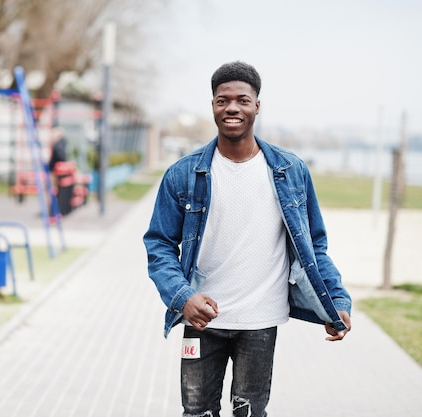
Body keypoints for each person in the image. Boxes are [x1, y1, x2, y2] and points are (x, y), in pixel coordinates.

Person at [143, 61, 352, 417]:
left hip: (260, 319)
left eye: (242, 100)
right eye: (223, 100)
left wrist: (336, 301)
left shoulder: (290, 171)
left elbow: (314, 246)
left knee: (250, 413)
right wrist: (183, 297)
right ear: (213, 106)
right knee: (196, 413)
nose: (232, 108)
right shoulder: (183, 174)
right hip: (201, 320)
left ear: (257, 105)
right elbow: (159, 243)